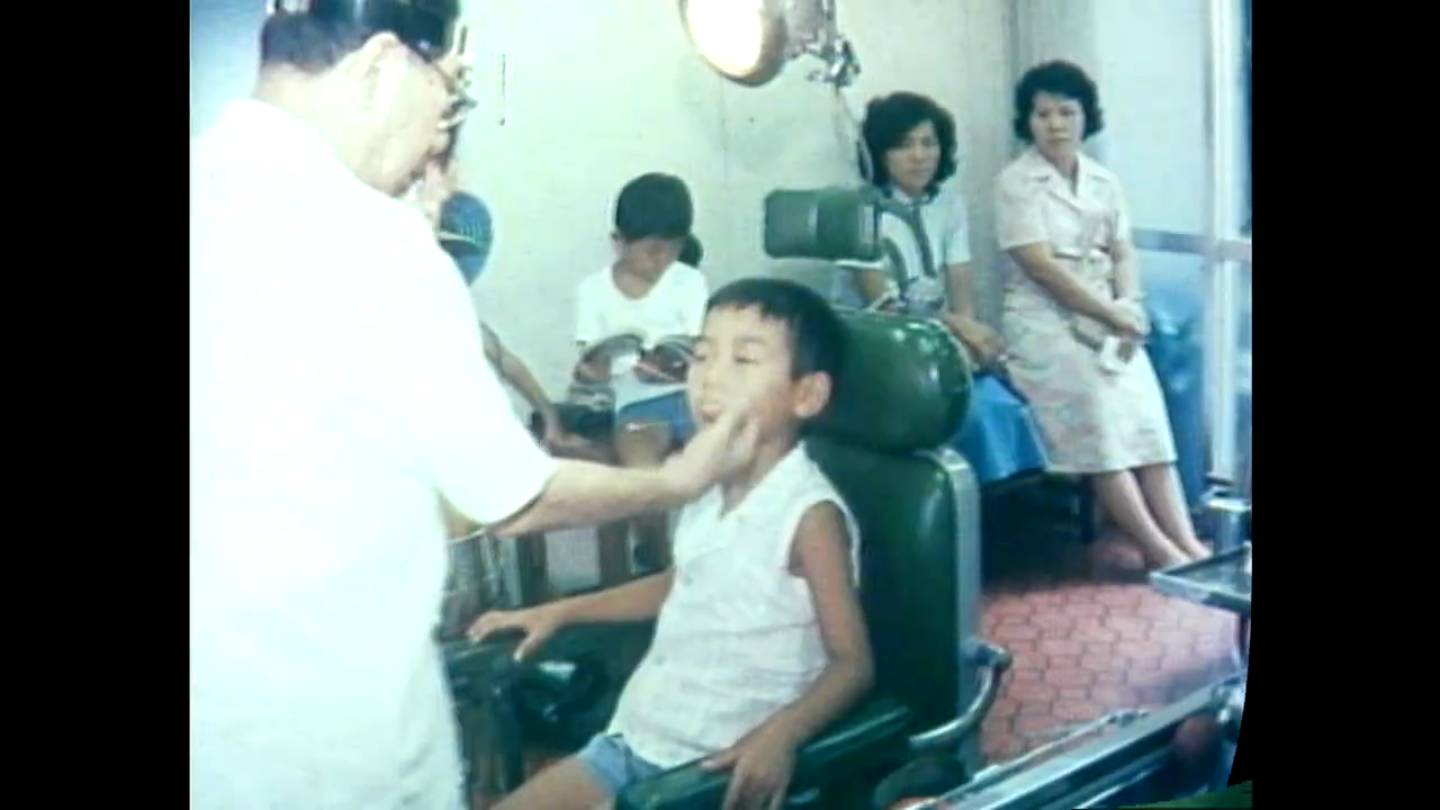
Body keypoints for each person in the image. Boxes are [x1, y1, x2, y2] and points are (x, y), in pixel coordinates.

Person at [189, 5, 757, 807]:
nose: (441, 146)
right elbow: (516, 495)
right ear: (384, 65)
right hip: (328, 730)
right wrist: (678, 482)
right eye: (450, 99)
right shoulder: (374, 241)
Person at [471, 278, 874, 810]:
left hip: (709, 770)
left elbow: (852, 664)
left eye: (744, 359)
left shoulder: (809, 515)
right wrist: (560, 612)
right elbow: (684, 583)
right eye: (702, 356)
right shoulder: (706, 487)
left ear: (807, 395)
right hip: (638, 739)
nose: (711, 378)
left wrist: (781, 737)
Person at [994, 60, 1210, 572]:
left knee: (1146, 416)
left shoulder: (1103, 181)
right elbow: (1040, 266)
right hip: (1043, 325)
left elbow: (1122, 251)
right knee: (1099, 420)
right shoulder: (1015, 183)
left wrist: (1130, 305)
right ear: (1027, 122)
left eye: (1066, 112)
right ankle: (1158, 552)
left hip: (1108, 319)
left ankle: (1189, 545)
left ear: (1085, 117)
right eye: (1043, 114)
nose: (1055, 124)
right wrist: (1112, 312)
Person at [842, 91, 1048, 489]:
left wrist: (970, 346)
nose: (919, 156)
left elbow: (961, 291)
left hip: (938, 341)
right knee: (973, 415)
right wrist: (959, 330)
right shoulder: (857, 212)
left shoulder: (949, 205)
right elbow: (883, 308)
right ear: (880, 153)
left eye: (928, 143)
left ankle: (1001, 508)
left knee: (1009, 403)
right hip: (881, 349)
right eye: (904, 145)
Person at [571, 173, 709, 575]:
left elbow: (700, 347)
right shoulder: (594, 291)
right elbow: (592, 368)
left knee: (724, 458)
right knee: (642, 477)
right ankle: (656, 559)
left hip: (692, 395)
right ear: (619, 242)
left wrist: (674, 361)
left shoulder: (689, 281)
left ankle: (711, 558)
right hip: (638, 405)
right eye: (650, 250)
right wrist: (593, 370)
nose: (661, 260)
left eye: (673, 248)